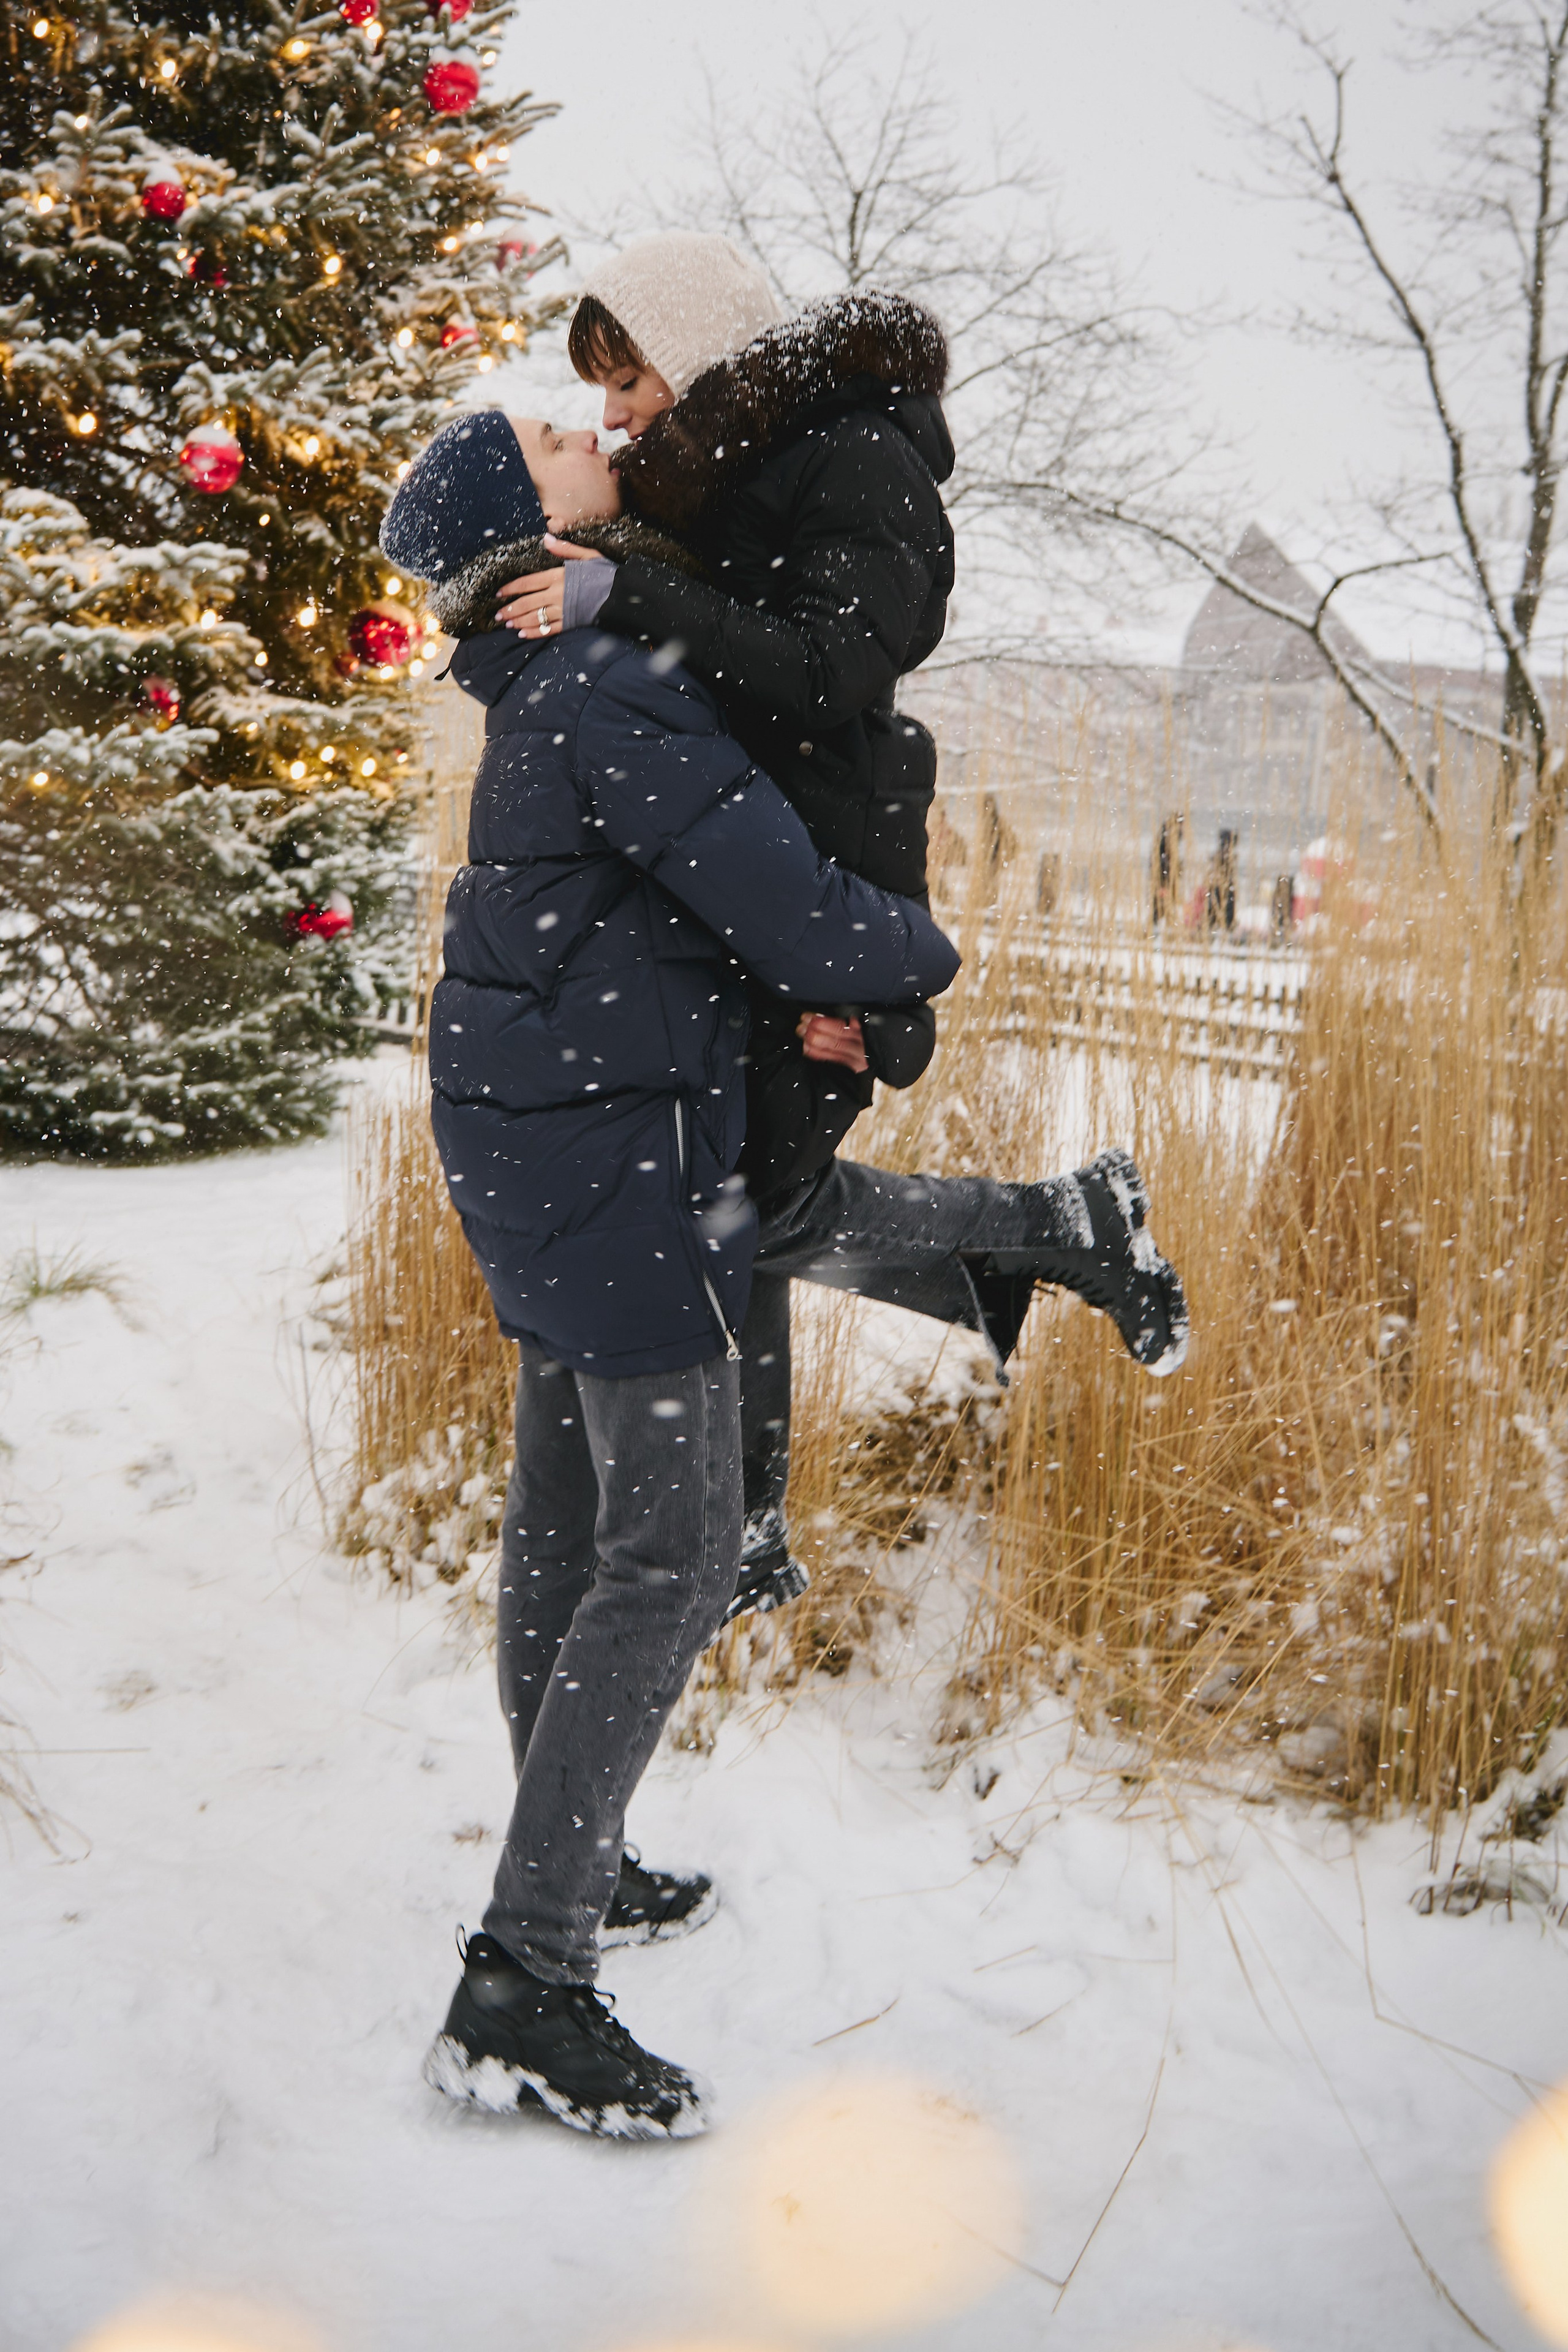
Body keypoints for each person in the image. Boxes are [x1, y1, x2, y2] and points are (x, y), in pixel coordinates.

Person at [380, 406, 962, 2139]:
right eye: (549, 439)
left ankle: (578, 1857)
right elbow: (784, 901)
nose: (583, 433)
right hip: (619, 1156)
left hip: (535, 1141)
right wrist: (923, 956)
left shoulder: (534, 686)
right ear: (522, 520)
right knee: (677, 1543)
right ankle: (527, 1980)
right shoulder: (601, 686)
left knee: (563, 1516)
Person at [492, 232, 960, 1623]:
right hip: (740, 899)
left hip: (823, 885)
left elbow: (827, 682)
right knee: (728, 1202)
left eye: (629, 377)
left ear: (696, 352)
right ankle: (741, 1522)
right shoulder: (710, 476)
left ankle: (1041, 1240)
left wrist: (623, 587)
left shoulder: (860, 463)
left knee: (748, 1204)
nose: (615, 413)